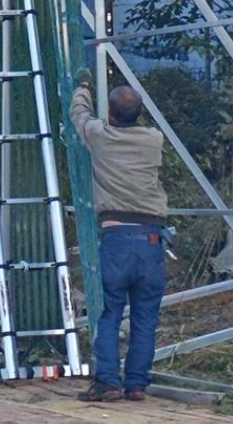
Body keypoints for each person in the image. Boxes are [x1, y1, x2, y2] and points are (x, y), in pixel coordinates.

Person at [69, 69, 168, 403]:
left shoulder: (100, 135)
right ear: (138, 113)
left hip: (116, 238)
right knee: (145, 316)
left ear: (110, 113)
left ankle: (108, 381)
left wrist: (83, 86)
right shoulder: (154, 139)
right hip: (152, 238)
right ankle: (137, 383)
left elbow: (79, 115)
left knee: (110, 312)